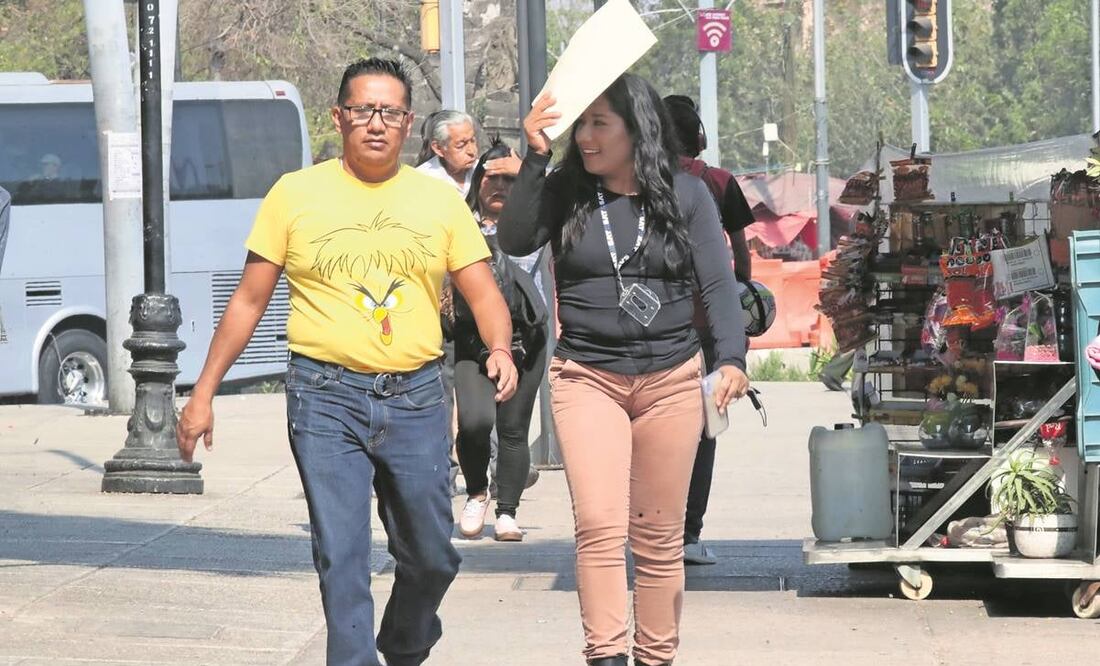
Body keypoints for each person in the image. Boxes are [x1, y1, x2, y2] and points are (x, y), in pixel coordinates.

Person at [175, 58, 518, 666]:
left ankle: (406, 640)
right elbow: (250, 298)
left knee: (433, 554)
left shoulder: (437, 202)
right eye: (363, 110)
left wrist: (497, 348)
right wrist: (202, 392)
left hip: (415, 397)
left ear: (409, 123)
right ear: (339, 117)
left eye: (390, 112)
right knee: (343, 555)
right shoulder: (294, 194)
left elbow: (483, 290)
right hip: (324, 395)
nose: (376, 124)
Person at [499, 74, 749, 666]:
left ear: (636, 128)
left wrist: (733, 358)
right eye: (579, 125)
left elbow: (717, 283)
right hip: (587, 376)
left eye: (598, 124)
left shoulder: (687, 194)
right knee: (599, 525)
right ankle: (606, 655)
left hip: (671, 379)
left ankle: (655, 656)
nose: (584, 138)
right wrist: (535, 159)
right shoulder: (564, 189)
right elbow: (514, 238)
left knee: (659, 538)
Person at [663, 94, 755, 566]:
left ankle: (647, 530)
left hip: (655, 328)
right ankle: (688, 535)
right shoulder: (718, 182)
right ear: (699, 135)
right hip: (705, 329)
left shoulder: (640, 180)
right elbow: (740, 260)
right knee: (703, 431)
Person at [452, 139, 548, 542]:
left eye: (509, 179)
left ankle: (507, 511)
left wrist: (529, 167)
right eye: (490, 178)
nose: (499, 187)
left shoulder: (538, 224)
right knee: (474, 422)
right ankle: (476, 492)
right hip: (472, 339)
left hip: (528, 338)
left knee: (513, 428)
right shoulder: (458, 224)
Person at [415, 109, 480, 193]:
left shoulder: (484, 171)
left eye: (473, 140)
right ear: (438, 148)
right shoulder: (423, 179)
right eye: (461, 145)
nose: (472, 151)